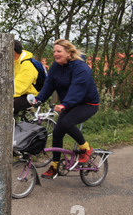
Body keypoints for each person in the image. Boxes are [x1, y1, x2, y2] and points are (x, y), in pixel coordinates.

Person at [33, 39, 100, 179]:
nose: (56, 54)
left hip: (87, 103)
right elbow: (48, 85)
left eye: (59, 51)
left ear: (69, 53)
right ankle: (55, 166)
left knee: (67, 123)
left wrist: (64, 104)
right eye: (54, 52)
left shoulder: (81, 68)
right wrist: (37, 100)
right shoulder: (56, 67)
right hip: (70, 104)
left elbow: (77, 89)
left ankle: (85, 148)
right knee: (57, 132)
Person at [13, 40, 39, 114]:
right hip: (23, 94)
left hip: (32, 96)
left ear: (13, 52)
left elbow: (19, 87)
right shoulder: (16, 62)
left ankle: (11, 125)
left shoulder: (27, 66)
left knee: (8, 106)